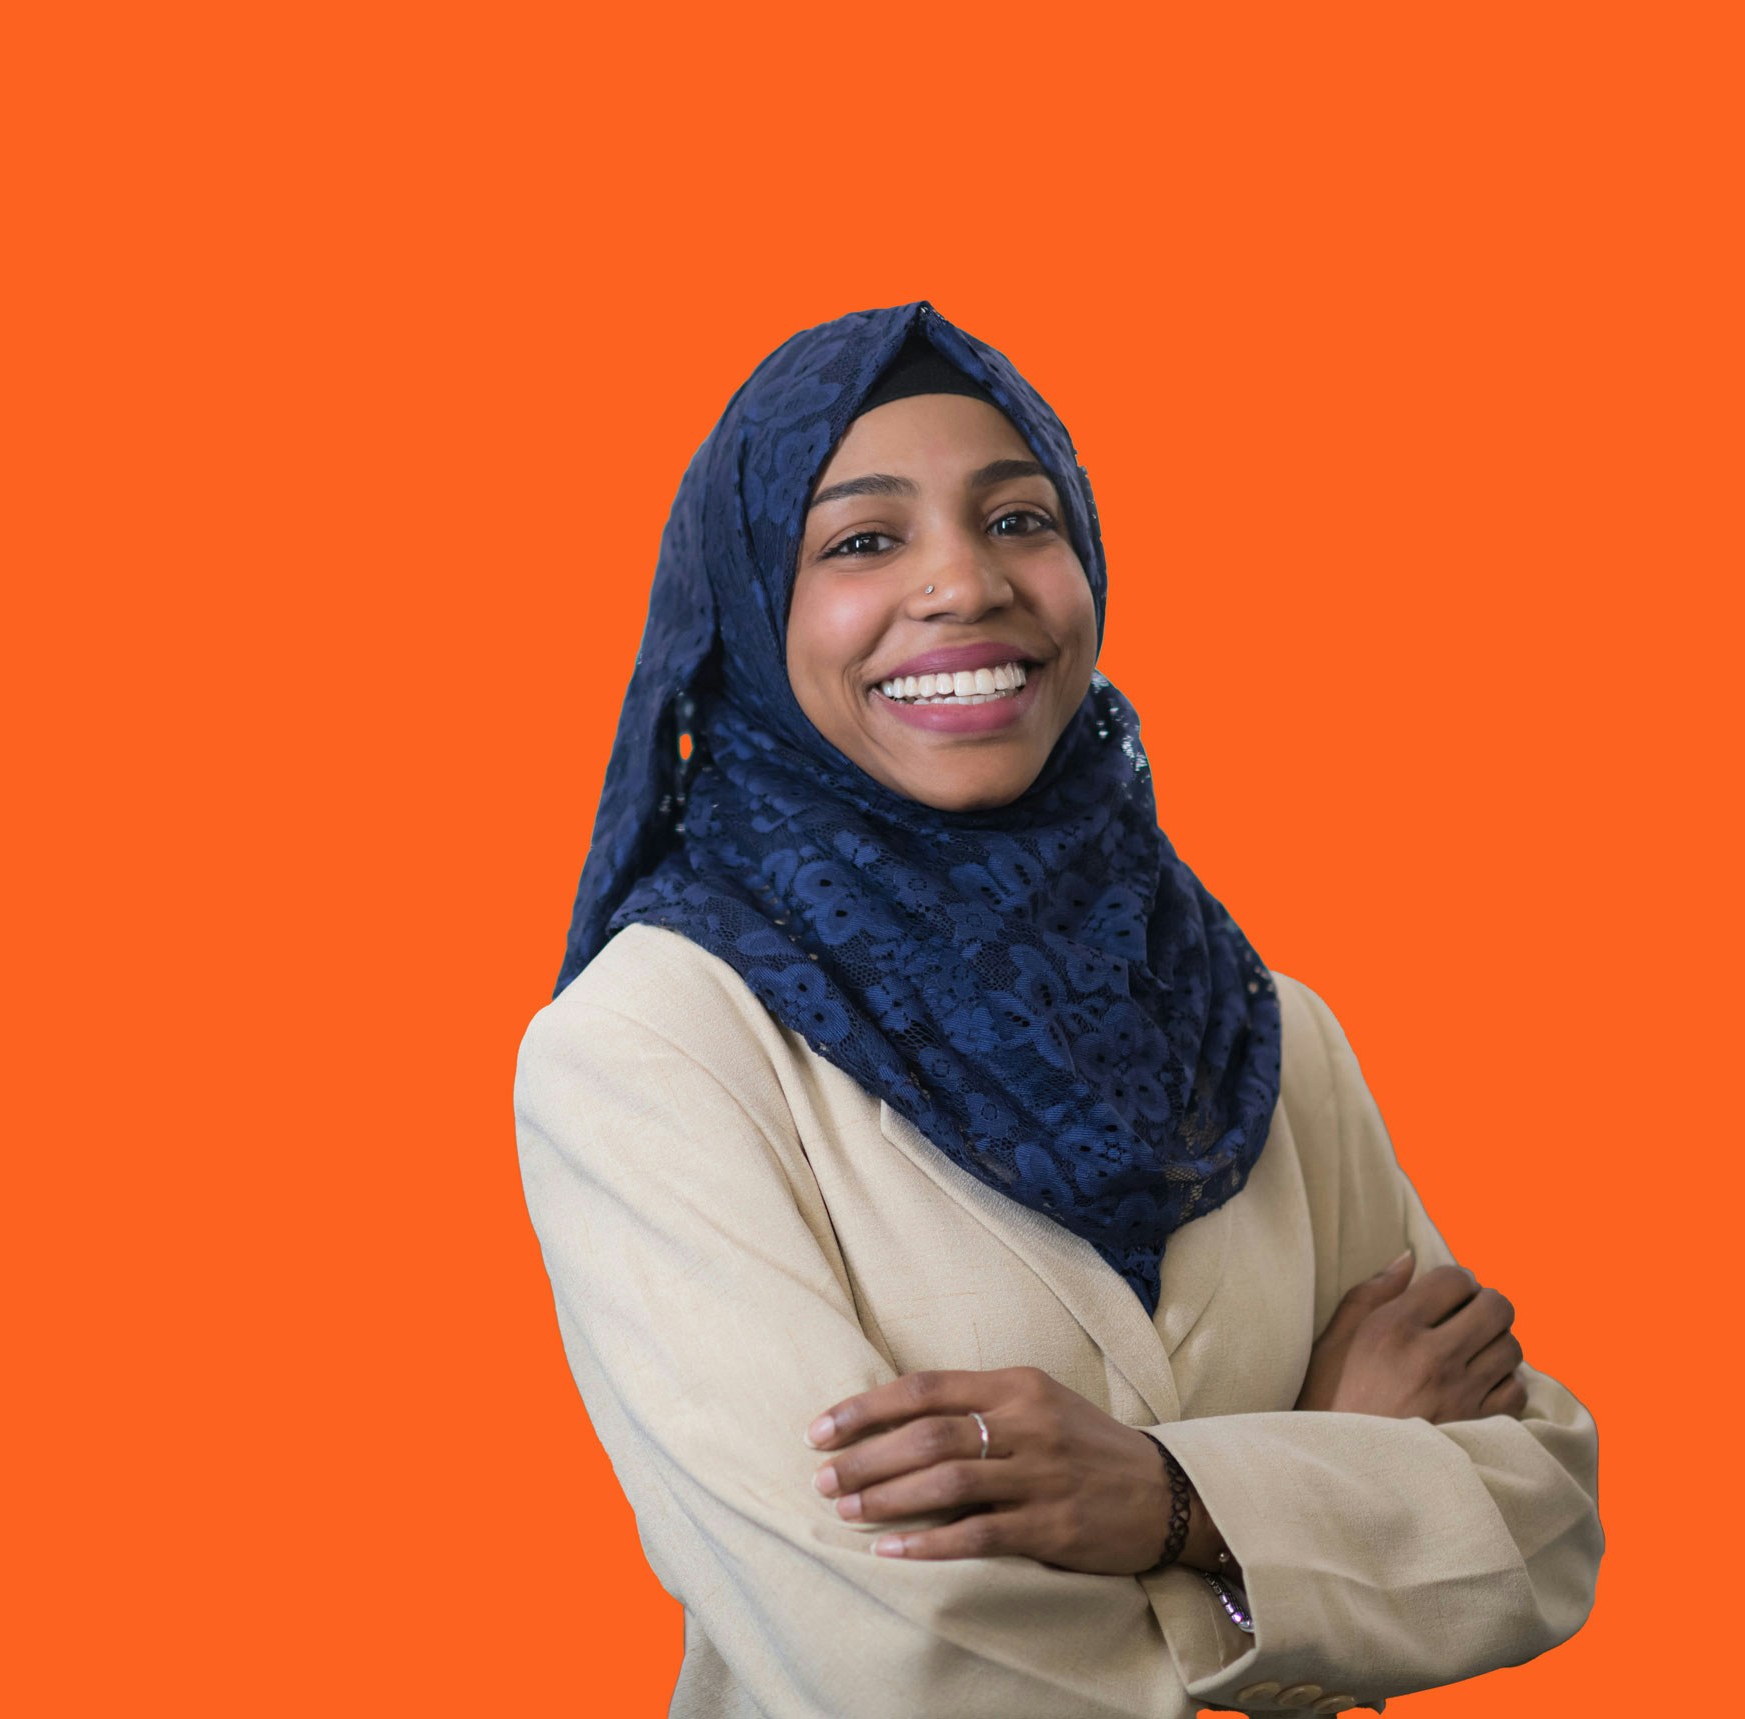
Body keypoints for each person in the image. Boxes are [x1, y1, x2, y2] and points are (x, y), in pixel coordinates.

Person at [514, 301, 1602, 1717]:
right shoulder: (654, 1048)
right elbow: (888, 1662)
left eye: (1021, 519)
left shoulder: (1263, 1033)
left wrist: (1168, 1499)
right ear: (743, 607)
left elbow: (1541, 1515)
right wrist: (1288, 1523)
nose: (966, 585)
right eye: (861, 540)